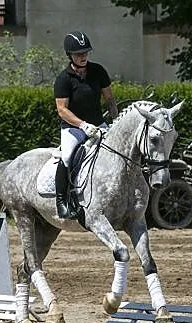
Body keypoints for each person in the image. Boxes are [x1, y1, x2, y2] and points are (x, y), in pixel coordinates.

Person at [53, 30, 118, 219]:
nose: (83, 57)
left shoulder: (98, 71)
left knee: (119, 151)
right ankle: (61, 201)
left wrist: (115, 121)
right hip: (73, 128)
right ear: (70, 55)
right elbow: (62, 110)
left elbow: (110, 100)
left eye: (85, 53)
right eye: (78, 54)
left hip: (99, 124)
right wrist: (82, 125)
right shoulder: (63, 79)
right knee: (66, 157)